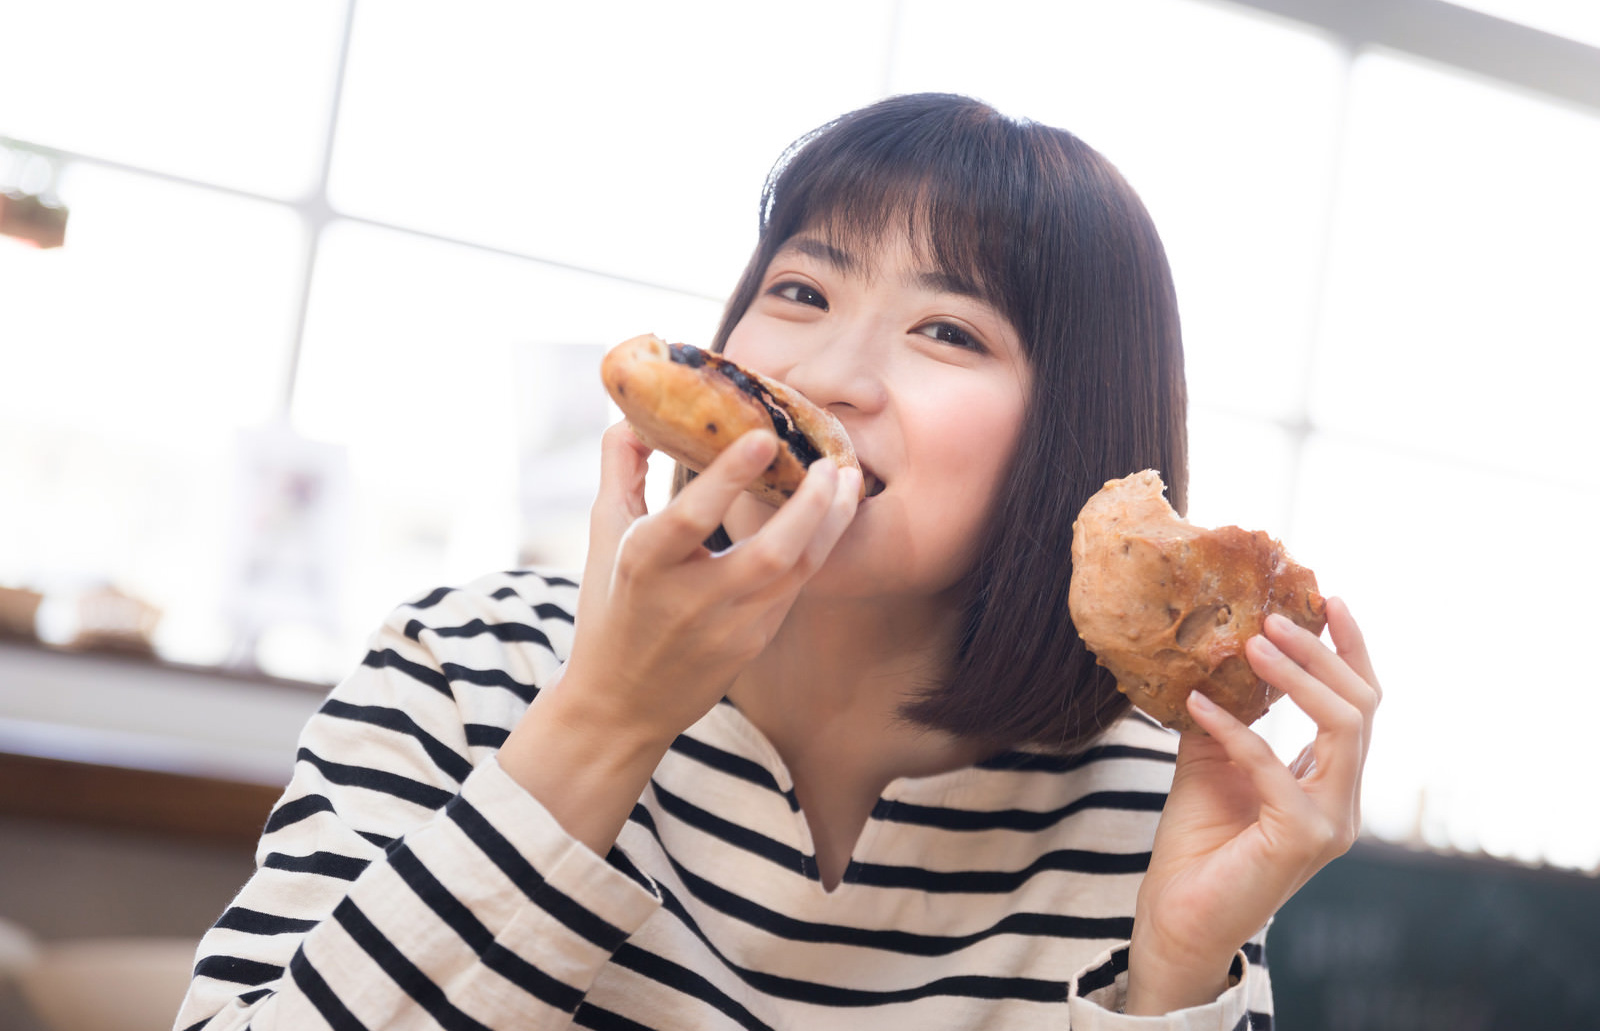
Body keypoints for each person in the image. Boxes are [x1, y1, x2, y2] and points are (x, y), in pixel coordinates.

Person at [175, 93, 1380, 1030]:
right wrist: (601, 720)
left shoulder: (1140, 808)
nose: (828, 373)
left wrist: (1175, 968)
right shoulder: (467, 665)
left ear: (1074, 440)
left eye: (946, 331)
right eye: (799, 289)